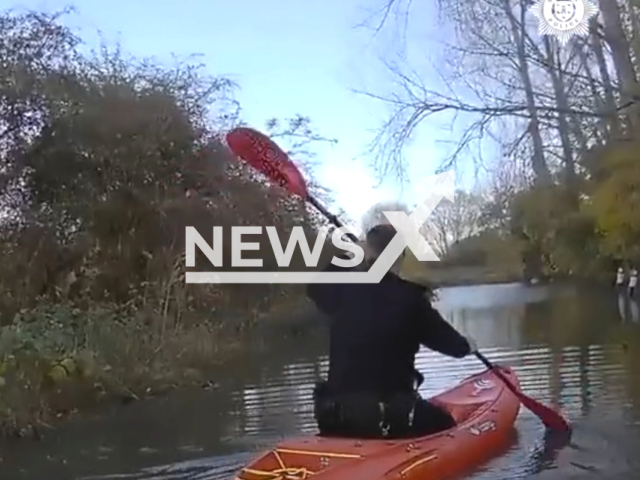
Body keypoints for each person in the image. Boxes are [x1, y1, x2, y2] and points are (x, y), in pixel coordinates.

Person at [307, 221, 478, 440]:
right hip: (387, 420)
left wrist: (353, 254)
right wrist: (467, 346)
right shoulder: (411, 299)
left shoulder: (339, 290)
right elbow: (450, 344)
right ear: (400, 257)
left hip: (334, 417)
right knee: (446, 424)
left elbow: (315, 287)